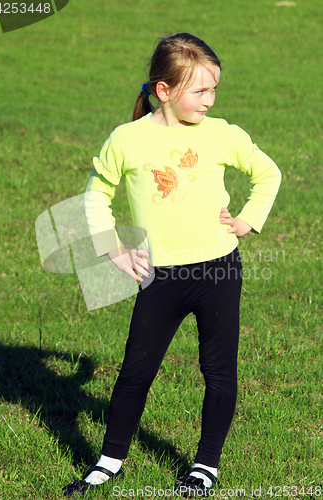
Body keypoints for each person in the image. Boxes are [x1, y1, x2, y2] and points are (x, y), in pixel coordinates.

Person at [63, 32, 281, 497]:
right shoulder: (128, 139)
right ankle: (109, 461)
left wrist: (247, 220)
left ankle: (205, 468)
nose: (210, 99)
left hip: (218, 272)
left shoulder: (223, 133)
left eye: (214, 89)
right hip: (159, 277)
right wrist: (113, 249)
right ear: (164, 90)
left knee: (219, 372)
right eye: (200, 91)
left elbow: (268, 173)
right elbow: (96, 194)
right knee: (135, 372)